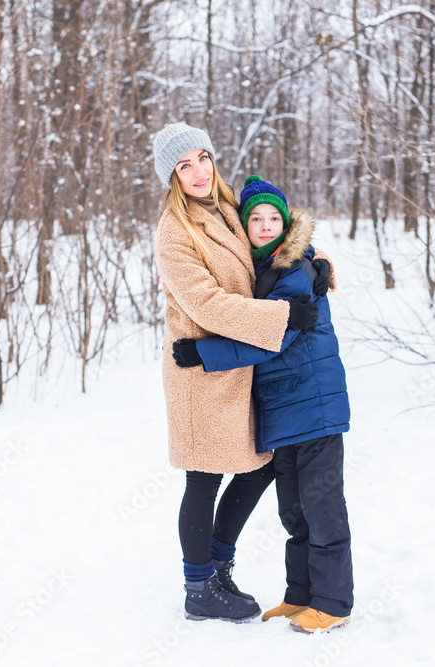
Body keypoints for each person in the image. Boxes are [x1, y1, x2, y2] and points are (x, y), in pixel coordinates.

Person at [151, 123, 331, 623]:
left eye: (201, 158)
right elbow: (207, 304)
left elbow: (267, 252)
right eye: (183, 166)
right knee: (204, 476)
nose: (197, 171)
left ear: (212, 157)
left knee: (261, 466)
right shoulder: (174, 231)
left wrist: (310, 266)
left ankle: (217, 565)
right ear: (172, 176)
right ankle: (198, 586)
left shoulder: (229, 209)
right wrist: (281, 317)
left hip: (243, 364)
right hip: (202, 373)